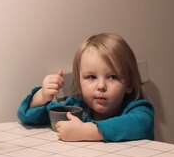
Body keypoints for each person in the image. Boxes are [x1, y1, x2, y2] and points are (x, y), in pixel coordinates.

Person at [17, 33, 154, 142]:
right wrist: (41, 97)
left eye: (112, 77)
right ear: (79, 83)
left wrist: (85, 131)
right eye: (91, 77)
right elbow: (29, 118)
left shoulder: (138, 109)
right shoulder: (76, 107)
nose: (101, 86)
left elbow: (141, 125)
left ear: (129, 84)